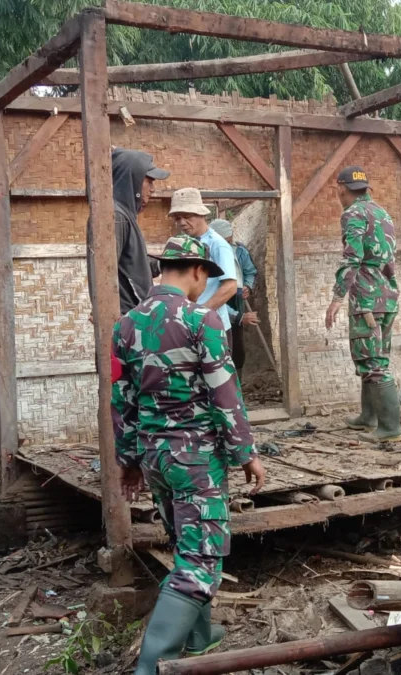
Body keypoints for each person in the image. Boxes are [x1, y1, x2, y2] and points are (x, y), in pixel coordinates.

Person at [112, 235, 266, 675]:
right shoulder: (203, 320)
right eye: (206, 277)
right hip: (195, 458)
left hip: (155, 457)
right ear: (197, 271)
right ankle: (152, 664)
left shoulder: (124, 325)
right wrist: (246, 453)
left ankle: (198, 635)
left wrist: (129, 461)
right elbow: (224, 393)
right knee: (201, 559)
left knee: (185, 542)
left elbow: (119, 399)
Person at [323, 166, 401, 442]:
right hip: (387, 297)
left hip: (367, 300)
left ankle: (390, 428)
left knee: (372, 362)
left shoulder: (352, 214)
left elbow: (352, 258)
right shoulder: (382, 212)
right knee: (374, 357)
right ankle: (368, 417)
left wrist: (336, 297)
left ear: (341, 188)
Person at [168, 188, 238, 332]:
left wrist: (201, 313)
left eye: (187, 216)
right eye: (177, 218)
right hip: (189, 324)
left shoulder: (217, 245)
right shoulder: (184, 243)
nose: (182, 222)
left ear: (201, 214)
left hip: (212, 327)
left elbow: (230, 287)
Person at [111, 149, 170, 315]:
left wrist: (164, 263)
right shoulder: (117, 217)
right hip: (128, 319)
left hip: (137, 317)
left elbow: (131, 268)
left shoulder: (127, 216)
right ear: (133, 180)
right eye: (149, 182)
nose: (152, 189)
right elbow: (105, 272)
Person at [209, 219, 259, 372]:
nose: (228, 242)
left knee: (237, 349)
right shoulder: (209, 253)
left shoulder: (239, 251)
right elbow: (211, 295)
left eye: (229, 239)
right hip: (215, 300)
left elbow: (249, 272)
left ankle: (236, 386)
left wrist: (247, 286)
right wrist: (239, 317)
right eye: (225, 240)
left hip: (235, 298)